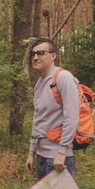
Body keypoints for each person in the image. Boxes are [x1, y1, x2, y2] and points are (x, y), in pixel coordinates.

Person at [24, 38, 79, 180]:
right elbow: (38, 119)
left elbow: (71, 117)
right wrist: (32, 152)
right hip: (41, 157)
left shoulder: (63, 78)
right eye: (33, 54)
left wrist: (62, 152)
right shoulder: (39, 83)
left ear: (53, 56)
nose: (35, 57)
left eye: (41, 53)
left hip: (58, 158)